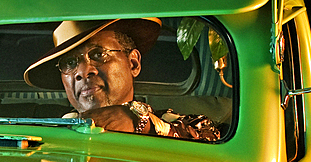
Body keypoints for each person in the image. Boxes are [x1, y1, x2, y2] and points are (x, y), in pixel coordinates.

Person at [24, 19, 221, 141]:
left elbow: (212, 142)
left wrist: (138, 122)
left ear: (133, 63)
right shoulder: (44, 137)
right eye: (69, 63)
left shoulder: (177, 125)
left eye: (99, 55)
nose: (83, 72)